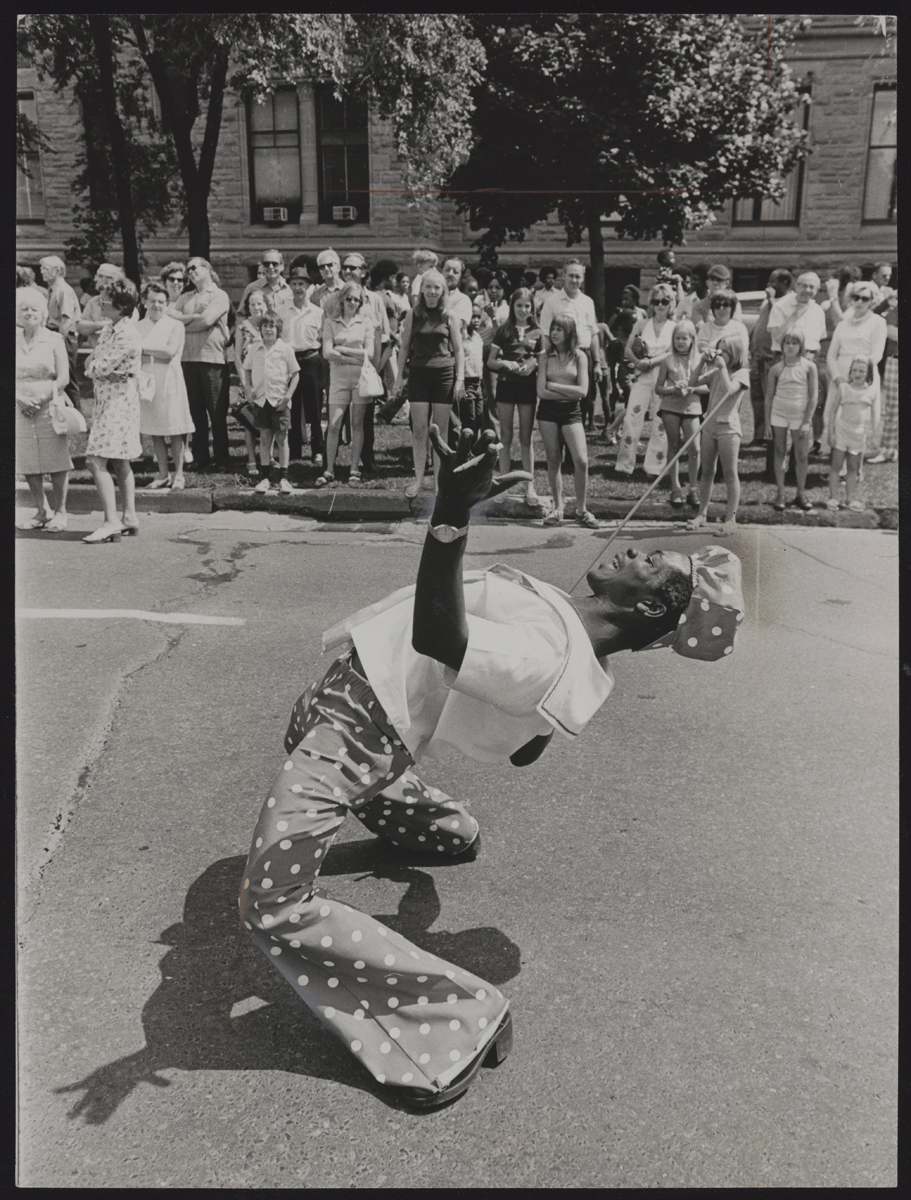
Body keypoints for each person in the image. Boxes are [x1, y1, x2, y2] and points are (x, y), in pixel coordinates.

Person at [238, 418, 744, 1110]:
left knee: (270, 901)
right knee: (308, 733)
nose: (633, 548)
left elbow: (438, 634)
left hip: (357, 726)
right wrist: (526, 717)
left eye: (651, 561)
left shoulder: (553, 657)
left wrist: (450, 514)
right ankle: (444, 829)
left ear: (651, 603)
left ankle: (460, 1018)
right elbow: (528, 748)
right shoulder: (568, 636)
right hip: (352, 705)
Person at [392, 269, 465, 498]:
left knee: (440, 432)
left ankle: (439, 483)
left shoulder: (450, 316)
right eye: (428, 287)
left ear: (443, 291)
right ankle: (418, 480)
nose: (432, 292)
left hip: (443, 375)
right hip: (418, 376)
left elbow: (459, 349)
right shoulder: (413, 314)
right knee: (419, 431)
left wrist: (460, 378)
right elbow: (404, 347)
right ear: (421, 289)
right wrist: (398, 379)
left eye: (437, 288)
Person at [82, 278, 143, 544]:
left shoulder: (126, 333)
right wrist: (95, 365)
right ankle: (129, 516)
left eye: (106, 301)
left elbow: (98, 366)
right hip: (108, 399)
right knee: (119, 459)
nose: (101, 303)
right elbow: (92, 358)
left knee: (95, 460)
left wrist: (94, 367)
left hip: (119, 403)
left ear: (120, 307)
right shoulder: (110, 329)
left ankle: (111, 521)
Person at [16, 287, 72, 532]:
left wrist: (42, 397)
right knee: (28, 460)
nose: (29, 313)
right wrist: (17, 398)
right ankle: (42, 510)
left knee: (56, 458)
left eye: (34, 309)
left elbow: (64, 378)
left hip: (49, 405)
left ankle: (60, 511)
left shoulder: (54, 339)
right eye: (23, 309)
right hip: (18, 407)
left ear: (43, 313)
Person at [536, 313, 597, 528]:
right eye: (553, 329)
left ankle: (581, 510)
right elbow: (541, 393)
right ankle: (558, 508)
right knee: (553, 459)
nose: (554, 333)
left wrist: (554, 386)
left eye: (559, 329)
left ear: (569, 332)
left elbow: (582, 391)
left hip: (572, 413)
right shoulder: (544, 356)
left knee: (581, 460)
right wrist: (564, 391)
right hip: (548, 413)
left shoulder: (580, 356)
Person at [171, 257, 232, 470]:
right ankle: (200, 458)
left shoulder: (219, 295)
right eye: (188, 270)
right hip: (187, 360)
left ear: (207, 269)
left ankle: (222, 459)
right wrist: (199, 319)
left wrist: (186, 323)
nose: (191, 272)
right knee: (195, 412)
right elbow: (171, 318)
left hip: (212, 360)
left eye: (194, 267)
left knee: (217, 413)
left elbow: (208, 320)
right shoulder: (185, 297)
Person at [686, 335, 750, 536]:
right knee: (706, 472)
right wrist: (703, 362)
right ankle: (701, 514)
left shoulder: (742, 373)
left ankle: (730, 519)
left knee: (730, 474)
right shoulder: (715, 372)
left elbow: (731, 391)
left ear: (735, 353)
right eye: (718, 350)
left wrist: (722, 369)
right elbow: (692, 381)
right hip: (709, 426)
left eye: (724, 351)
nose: (720, 355)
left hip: (728, 429)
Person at [488, 287, 544, 510]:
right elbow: (491, 361)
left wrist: (533, 364)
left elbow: (543, 360)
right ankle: (503, 483)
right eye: (519, 305)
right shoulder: (504, 330)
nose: (523, 309)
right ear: (512, 307)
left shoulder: (538, 333)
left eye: (527, 306)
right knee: (506, 435)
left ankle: (529, 486)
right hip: (506, 386)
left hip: (527, 388)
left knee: (526, 437)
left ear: (532, 308)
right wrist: (503, 363)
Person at [317, 282, 376, 488]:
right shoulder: (331, 322)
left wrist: (342, 350)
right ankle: (329, 469)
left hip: (361, 379)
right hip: (339, 379)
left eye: (357, 299)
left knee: (357, 424)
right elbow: (326, 352)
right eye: (349, 298)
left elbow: (370, 353)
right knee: (334, 424)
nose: (352, 302)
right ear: (342, 298)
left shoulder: (365, 322)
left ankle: (354, 468)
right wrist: (356, 356)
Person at [137, 279, 194, 491]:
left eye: (161, 301)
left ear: (167, 303)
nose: (156, 305)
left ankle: (179, 474)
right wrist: (152, 351)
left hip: (170, 380)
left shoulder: (175, 325)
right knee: (156, 430)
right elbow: (136, 355)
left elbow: (169, 353)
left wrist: (143, 348)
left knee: (174, 428)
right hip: (146, 381)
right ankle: (162, 474)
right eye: (152, 301)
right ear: (144, 302)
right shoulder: (138, 326)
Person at [614, 283, 676, 477]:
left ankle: (654, 466)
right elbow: (628, 349)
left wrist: (650, 361)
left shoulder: (674, 327)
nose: (660, 305)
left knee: (660, 422)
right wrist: (638, 362)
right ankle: (625, 465)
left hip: (664, 377)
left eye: (664, 301)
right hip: (642, 376)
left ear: (671, 303)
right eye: (656, 301)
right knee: (632, 418)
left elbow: (670, 353)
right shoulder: (641, 324)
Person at [337, 253, 391, 476]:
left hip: (368, 367)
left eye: (353, 268)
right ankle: (329, 461)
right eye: (345, 268)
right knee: (337, 415)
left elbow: (386, 335)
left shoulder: (375, 300)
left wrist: (377, 368)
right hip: (341, 366)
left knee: (365, 418)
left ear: (363, 272)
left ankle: (367, 459)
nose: (348, 272)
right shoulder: (337, 297)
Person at [821, 284, 887, 453]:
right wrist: (838, 377)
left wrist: (858, 377)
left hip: (863, 376)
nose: (860, 302)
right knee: (837, 418)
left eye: (865, 298)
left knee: (858, 420)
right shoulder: (843, 324)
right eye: (856, 297)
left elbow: (876, 355)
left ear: (872, 301)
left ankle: (853, 467)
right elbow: (831, 355)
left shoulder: (878, 322)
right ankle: (838, 463)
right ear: (850, 299)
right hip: (841, 378)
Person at [243, 312, 299, 495]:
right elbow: (248, 370)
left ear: (278, 330)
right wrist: (249, 390)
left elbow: (295, 374)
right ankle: (265, 477)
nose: (268, 330)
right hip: (261, 400)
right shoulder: (255, 348)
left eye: (272, 326)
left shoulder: (285, 349)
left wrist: (288, 397)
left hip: (279, 400)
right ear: (260, 329)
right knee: (265, 438)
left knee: (282, 439)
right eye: (265, 326)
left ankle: (284, 477)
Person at [764, 330, 818, 511]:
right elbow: (769, 397)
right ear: (782, 346)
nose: (790, 346)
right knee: (779, 451)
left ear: (801, 346)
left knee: (801, 454)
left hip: (800, 416)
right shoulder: (776, 369)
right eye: (787, 343)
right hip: (779, 414)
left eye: (795, 343)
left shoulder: (809, 367)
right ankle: (781, 493)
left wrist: (807, 421)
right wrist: (767, 423)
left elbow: (813, 396)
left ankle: (801, 493)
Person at [278, 265, 326, 470]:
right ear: (289, 286)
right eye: (294, 284)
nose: (298, 288)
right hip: (290, 360)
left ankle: (317, 449)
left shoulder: (317, 312)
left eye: (302, 284)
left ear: (309, 286)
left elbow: (323, 339)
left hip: (311, 359)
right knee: (292, 405)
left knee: (314, 406)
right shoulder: (281, 311)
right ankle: (295, 447)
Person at [654, 319, 704, 509]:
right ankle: (675, 487)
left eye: (684, 338)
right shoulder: (668, 360)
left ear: (692, 339)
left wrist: (692, 388)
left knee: (695, 448)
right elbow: (658, 388)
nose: (681, 342)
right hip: (671, 406)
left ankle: (692, 488)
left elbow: (707, 386)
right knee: (673, 446)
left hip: (692, 406)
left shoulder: (699, 360)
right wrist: (673, 389)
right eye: (677, 338)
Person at [827, 355, 880, 511]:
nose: (857, 373)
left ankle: (850, 499)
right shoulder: (844, 388)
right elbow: (833, 410)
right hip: (842, 431)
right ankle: (833, 498)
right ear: (850, 372)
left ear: (868, 373)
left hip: (858, 434)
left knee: (853, 468)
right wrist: (831, 432)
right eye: (855, 370)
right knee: (836, 466)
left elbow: (872, 416)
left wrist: (871, 434)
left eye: (862, 371)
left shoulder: (871, 392)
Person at [233, 290, 272, 479]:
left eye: (260, 304)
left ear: (266, 305)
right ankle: (251, 459)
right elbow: (238, 358)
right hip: (249, 382)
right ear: (247, 307)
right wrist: (245, 384)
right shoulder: (242, 327)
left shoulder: (271, 325)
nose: (256, 308)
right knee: (250, 422)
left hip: (268, 382)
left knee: (269, 420)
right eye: (252, 304)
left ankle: (269, 456)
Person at [39, 255, 81, 410]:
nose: (42, 272)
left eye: (45, 269)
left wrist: (59, 343)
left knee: (67, 378)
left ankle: (77, 416)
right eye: (41, 268)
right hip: (55, 334)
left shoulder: (63, 290)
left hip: (64, 336)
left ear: (57, 271)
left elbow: (66, 320)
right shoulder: (54, 289)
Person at [869, 289, 898, 463]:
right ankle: (888, 449)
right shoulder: (895, 311)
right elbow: (891, 332)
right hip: (896, 360)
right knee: (893, 408)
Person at [695, 287, 751, 367]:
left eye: (725, 305)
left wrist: (714, 352)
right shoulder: (705, 328)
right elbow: (701, 351)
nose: (721, 308)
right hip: (711, 370)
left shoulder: (740, 328)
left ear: (732, 308)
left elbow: (742, 353)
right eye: (717, 305)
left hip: (734, 370)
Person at [77, 263, 126, 350]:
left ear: (111, 279)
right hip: (95, 350)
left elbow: (124, 328)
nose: (95, 279)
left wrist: (92, 327)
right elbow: (80, 327)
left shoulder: (124, 302)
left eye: (99, 276)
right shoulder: (94, 301)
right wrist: (100, 325)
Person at [441, 257, 473, 333]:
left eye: (455, 272)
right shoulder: (430, 295)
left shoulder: (463, 300)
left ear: (461, 277)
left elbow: (455, 325)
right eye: (447, 270)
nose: (450, 274)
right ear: (440, 272)